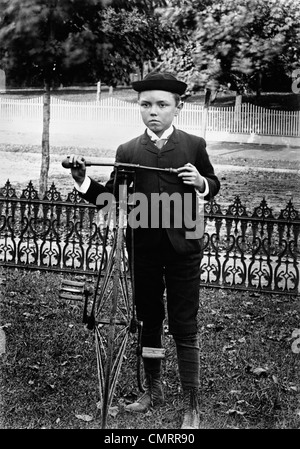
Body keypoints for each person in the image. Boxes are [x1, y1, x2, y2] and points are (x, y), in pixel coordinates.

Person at [69, 72, 220, 429]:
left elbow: (213, 183)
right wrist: (82, 181)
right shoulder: (128, 151)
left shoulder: (193, 145)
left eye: (162, 105)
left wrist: (200, 182)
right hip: (143, 248)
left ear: (178, 107)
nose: (153, 112)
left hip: (185, 246)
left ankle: (191, 403)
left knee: (184, 322)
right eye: (146, 105)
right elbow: (110, 199)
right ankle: (153, 389)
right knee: (149, 318)